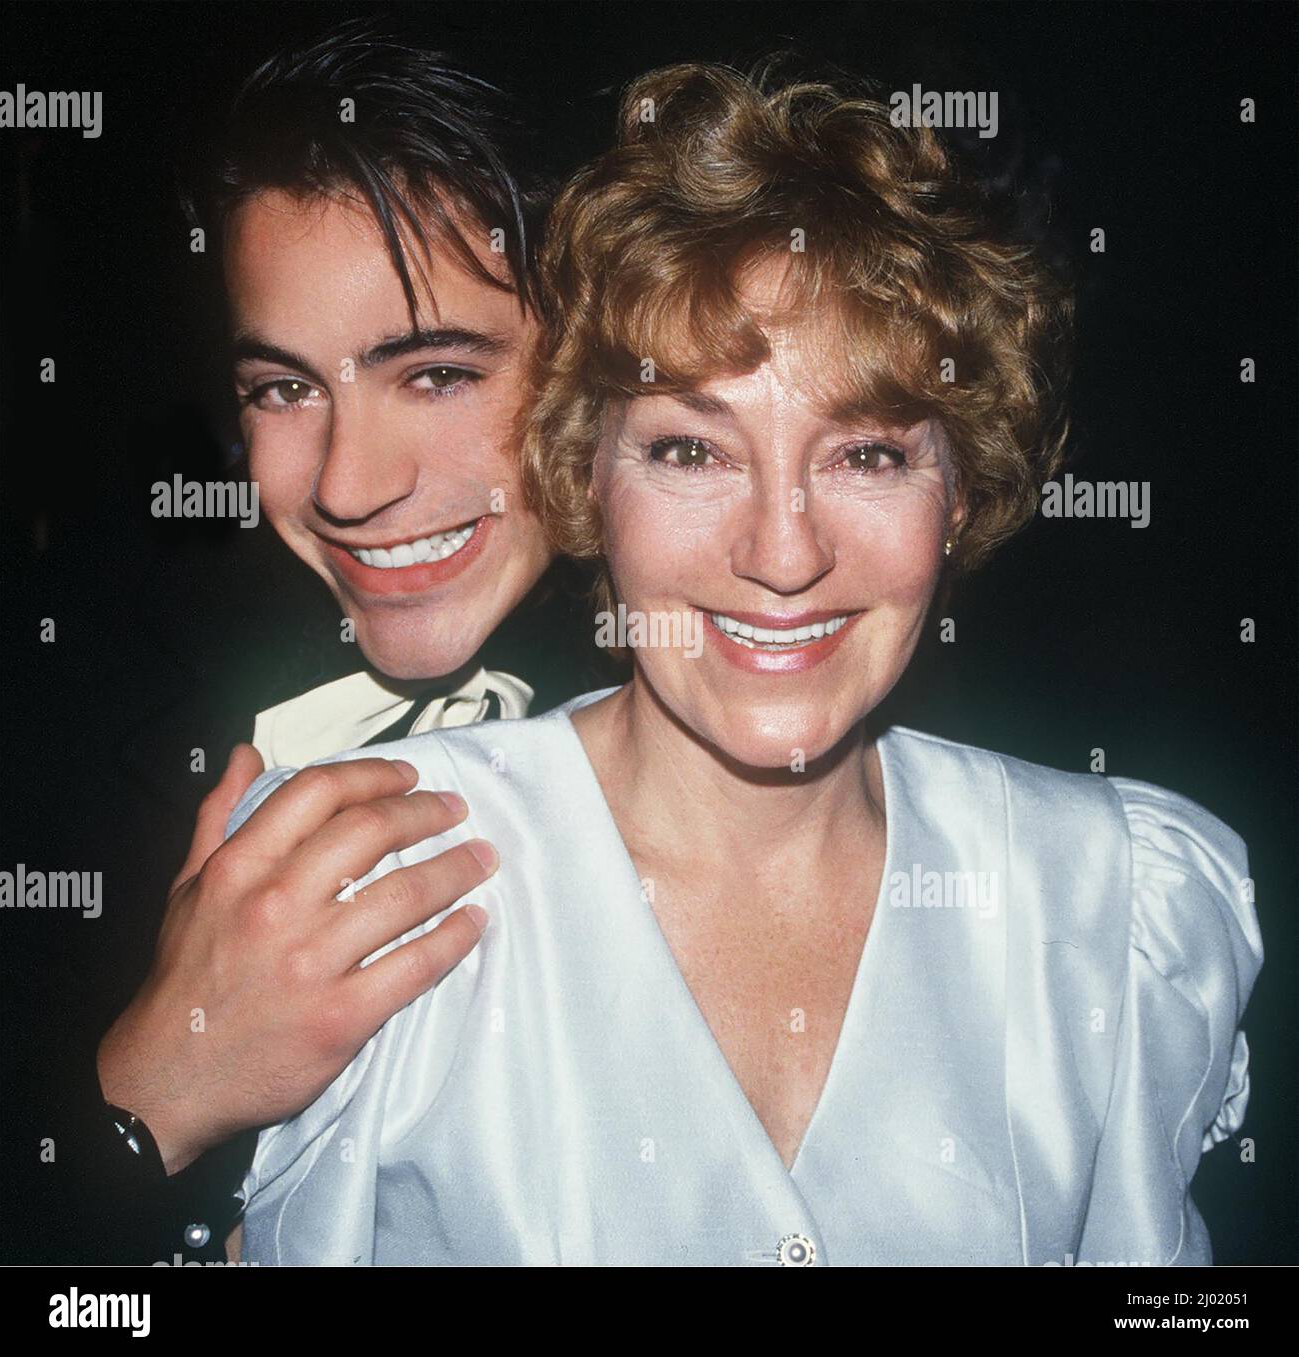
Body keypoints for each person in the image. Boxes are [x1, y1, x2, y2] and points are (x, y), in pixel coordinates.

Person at [229, 62, 1262, 1266]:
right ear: (583, 472)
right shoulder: (367, 894)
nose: (783, 553)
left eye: (868, 457)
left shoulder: (1119, 910)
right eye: (690, 451)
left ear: (962, 489)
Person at [36, 24, 607, 1264]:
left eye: (439, 373)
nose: (345, 484)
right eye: (284, 388)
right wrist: (154, 1092)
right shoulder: (79, 722)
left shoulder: (762, 704)